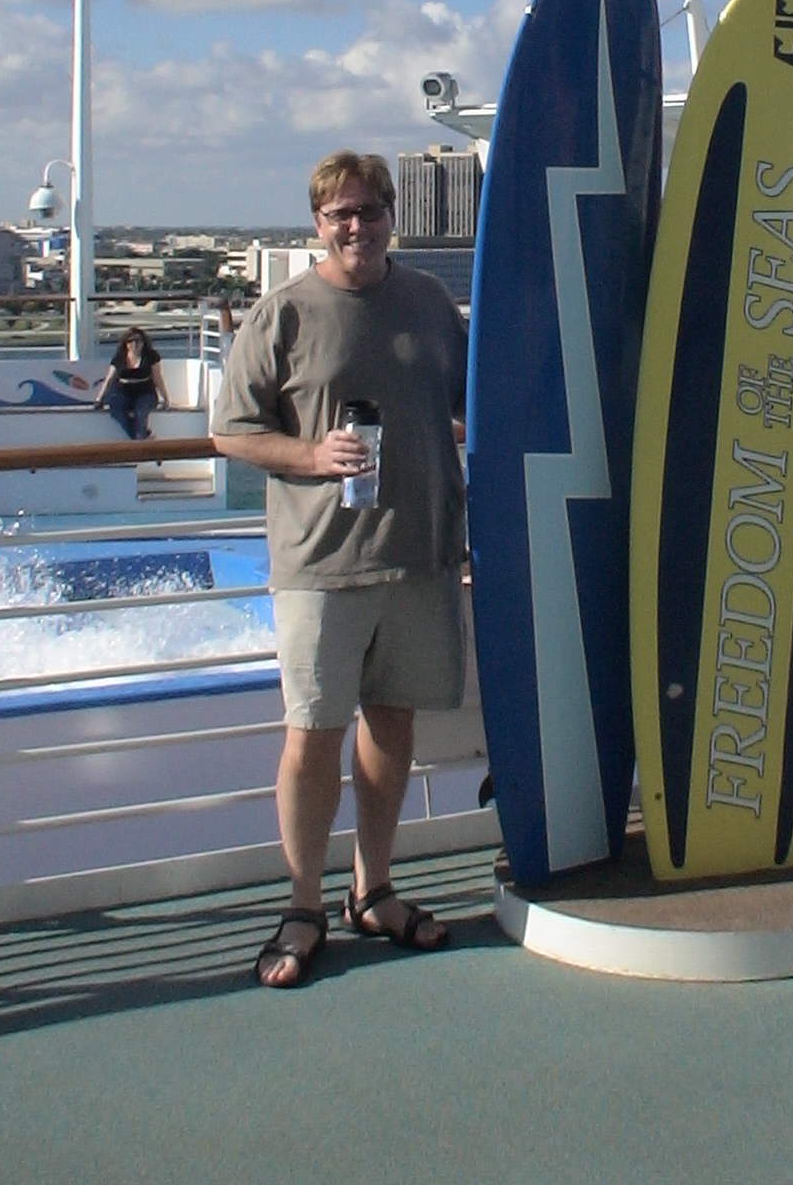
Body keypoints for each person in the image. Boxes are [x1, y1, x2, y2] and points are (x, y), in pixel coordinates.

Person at [212, 150, 468, 988]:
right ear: (318, 223)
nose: (355, 225)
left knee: (391, 729)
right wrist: (312, 455)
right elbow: (231, 431)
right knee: (312, 738)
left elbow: (476, 398)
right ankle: (302, 906)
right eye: (339, 214)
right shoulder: (284, 313)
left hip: (419, 555)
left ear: (393, 215)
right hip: (321, 563)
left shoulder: (430, 304)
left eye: (369, 210)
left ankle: (373, 889)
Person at [93, 327, 169, 439]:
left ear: (143, 342)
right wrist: (99, 399)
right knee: (116, 411)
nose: (134, 344)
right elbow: (109, 379)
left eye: (138, 341)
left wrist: (165, 398)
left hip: (145, 392)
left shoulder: (150, 356)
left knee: (141, 414)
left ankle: (140, 440)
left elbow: (157, 378)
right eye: (130, 341)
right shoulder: (120, 357)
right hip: (122, 391)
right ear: (125, 344)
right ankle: (142, 437)